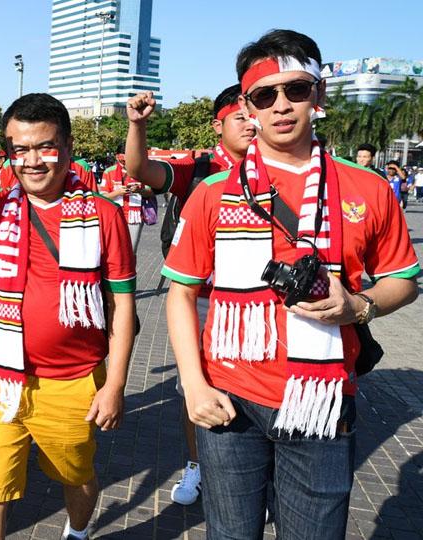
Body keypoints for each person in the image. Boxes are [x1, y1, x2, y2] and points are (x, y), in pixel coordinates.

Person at [161, 29, 419, 539]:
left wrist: (360, 306)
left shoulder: (368, 188)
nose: (281, 105)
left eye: (296, 90)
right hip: (229, 397)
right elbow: (181, 292)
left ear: (318, 97)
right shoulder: (214, 192)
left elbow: (404, 280)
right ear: (247, 107)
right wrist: (192, 384)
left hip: (321, 402)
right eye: (265, 95)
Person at [0, 93, 137, 540]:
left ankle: (77, 532)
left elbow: (123, 305)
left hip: (74, 383)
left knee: (76, 479)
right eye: (19, 149)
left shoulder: (104, 215)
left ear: (69, 148)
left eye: (45, 147)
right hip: (1, 380)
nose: (33, 160)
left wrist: (114, 384)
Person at [124, 82, 256, 506]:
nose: (252, 124)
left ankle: (255, 473)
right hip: (201, 300)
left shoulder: (279, 168)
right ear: (219, 126)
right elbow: (140, 170)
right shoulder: (196, 169)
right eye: (241, 117)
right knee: (194, 387)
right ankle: (197, 465)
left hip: (260, 302)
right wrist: (137, 127)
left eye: (255, 114)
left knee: (255, 388)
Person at [98, 154, 153, 252]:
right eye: (123, 161)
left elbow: (151, 192)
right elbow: (102, 197)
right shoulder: (109, 172)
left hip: (134, 217)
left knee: (131, 251)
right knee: (114, 250)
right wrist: (118, 192)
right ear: (117, 157)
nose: (125, 164)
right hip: (114, 216)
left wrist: (139, 190)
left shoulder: (140, 171)